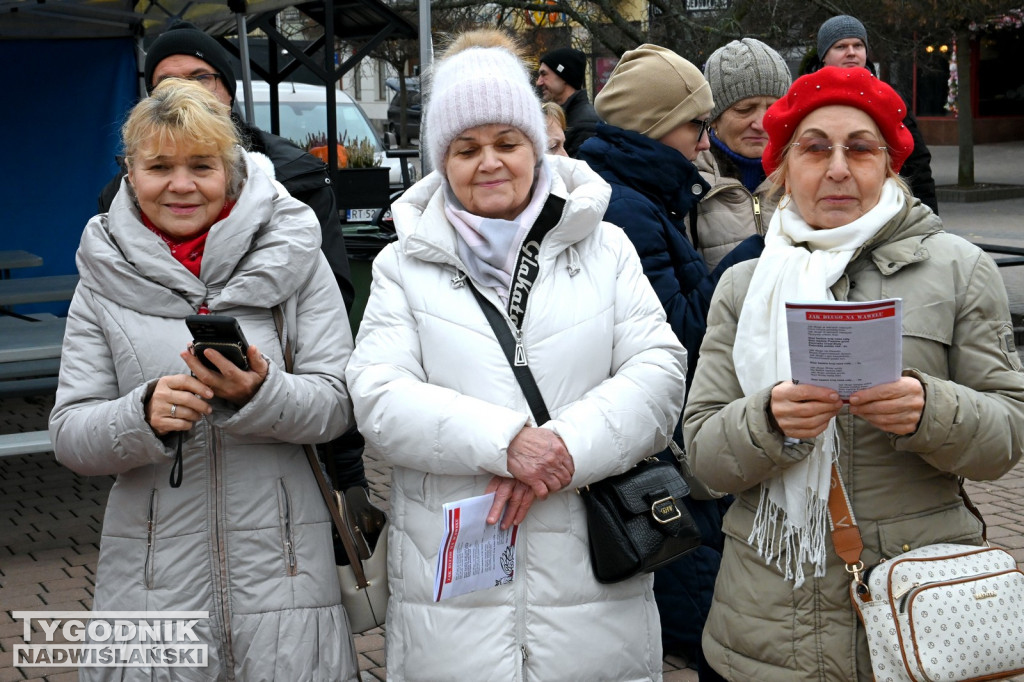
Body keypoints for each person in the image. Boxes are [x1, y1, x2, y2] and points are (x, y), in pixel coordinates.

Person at [345, 29, 686, 681]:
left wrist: (561, 448)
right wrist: (503, 443)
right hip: (453, 611)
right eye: (466, 148)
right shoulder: (401, 264)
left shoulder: (605, 249)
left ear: (537, 146)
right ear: (442, 159)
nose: (490, 162)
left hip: (593, 597)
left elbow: (659, 376)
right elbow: (378, 396)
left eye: (508, 142)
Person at [682, 65, 1024, 681]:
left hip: (919, 611)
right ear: (784, 170)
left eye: (860, 148)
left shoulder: (959, 269)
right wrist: (767, 420)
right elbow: (702, 458)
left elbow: (1006, 438)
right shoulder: (743, 284)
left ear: (889, 165)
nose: (838, 168)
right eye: (815, 149)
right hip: (766, 623)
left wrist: (930, 410)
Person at [50, 79, 360, 680]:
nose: (182, 185)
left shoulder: (296, 255)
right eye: (160, 166)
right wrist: (138, 416)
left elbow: (340, 404)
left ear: (233, 172)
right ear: (130, 173)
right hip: (150, 576)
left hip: (286, 571)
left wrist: (262, 395)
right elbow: (69, 433)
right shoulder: (102, 274)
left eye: (201, 165)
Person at [576, 44, 762, 680]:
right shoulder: (626, 206)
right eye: (696, 124)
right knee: (710, 623)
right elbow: (684, 336)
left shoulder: (648, 194)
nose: (705, 139)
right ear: (656, 127)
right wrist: (753, 254)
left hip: (668, 449)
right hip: (658, 459)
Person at [97, 20, 356, 310]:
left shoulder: (297, 176)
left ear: (228, 92)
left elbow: (331, 298)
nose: (186, 92)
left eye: (200, 78)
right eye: (168, 83)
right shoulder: (122, 194)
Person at [810, 14, 940, 213]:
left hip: (882, 210)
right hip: (824, 205)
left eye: (858, 45)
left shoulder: (888, 98)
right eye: (841, 47)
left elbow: (917, 164)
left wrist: (928, 214)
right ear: (824, 56)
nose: (851, 53)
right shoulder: (807, 99)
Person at [696, 38, 791, 270]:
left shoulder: (805, 181)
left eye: (773, 109)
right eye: (744, 109)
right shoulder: (689, 186)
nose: (761, 123)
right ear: (713, 118)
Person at [536, 46, 600, 156]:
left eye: (544, 74)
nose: (539, 82)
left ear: (564, 76)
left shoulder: (585, 125)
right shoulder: (569, 117)